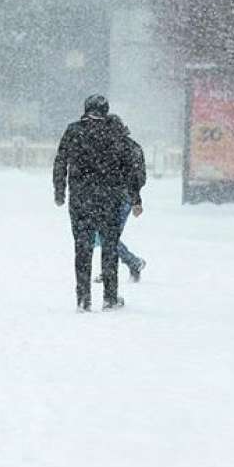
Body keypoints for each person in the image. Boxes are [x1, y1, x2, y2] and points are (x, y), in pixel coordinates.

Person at [53, 95, 143, 312]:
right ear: (106, 110)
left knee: (82, 249)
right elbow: (129, 168)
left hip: (80, 199)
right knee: (109, 248)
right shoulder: (115, 133)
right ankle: (110, 298)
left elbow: (60, 161)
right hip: (109, 200)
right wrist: (135, 198)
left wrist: (60, 191)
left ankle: (83, 299)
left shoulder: (73, 131)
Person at [94, 114, 147, 283]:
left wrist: (134, 199)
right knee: (108, 236)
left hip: (116, 198)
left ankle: (132, 262)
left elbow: (132, 178)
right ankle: (112, 268)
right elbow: (140, 178)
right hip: (121, 198)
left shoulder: (115, 149)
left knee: (106, 236)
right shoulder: (133, 148)